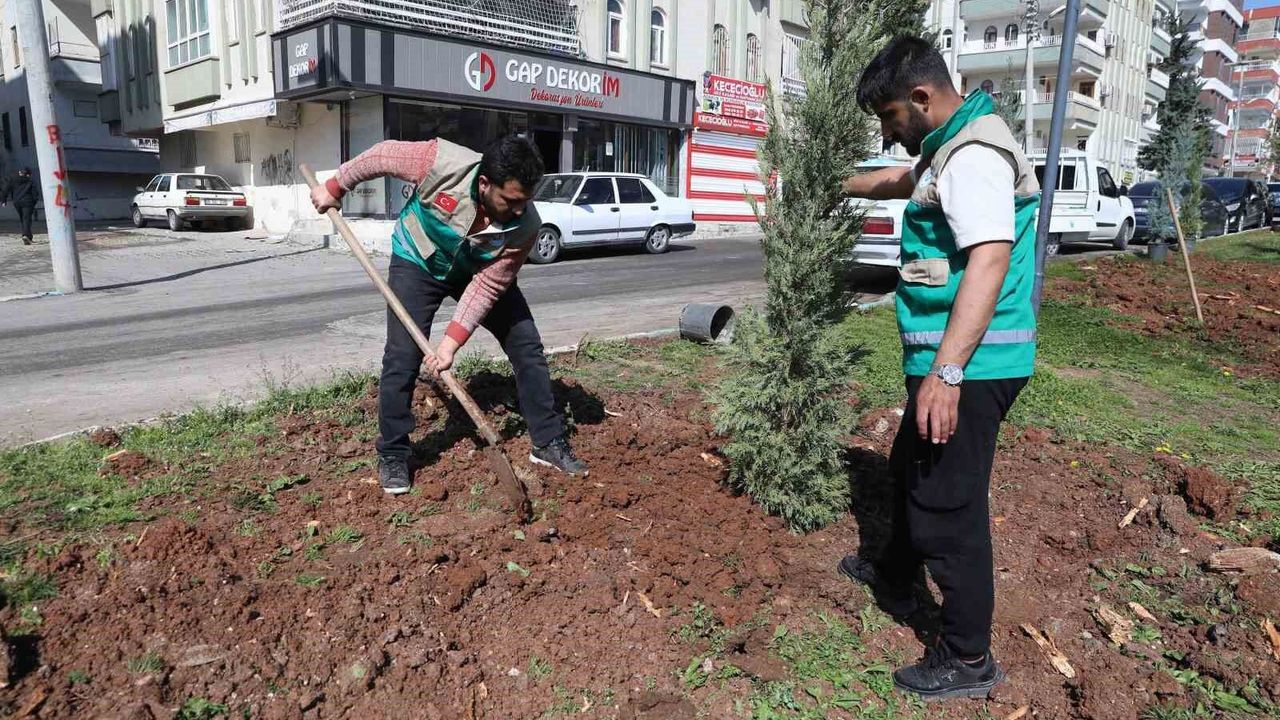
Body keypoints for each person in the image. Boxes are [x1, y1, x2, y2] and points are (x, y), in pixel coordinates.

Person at [838, 36, 1040, 701]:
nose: (887, 133)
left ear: (921, 98)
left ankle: (967, 656)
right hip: (957, 358)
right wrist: (837, 184)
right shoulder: (948, 147)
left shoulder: (974, 157)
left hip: (973, 364)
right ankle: (896, 575)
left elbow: (988, 259)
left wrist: (947, 375)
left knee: (947, 508)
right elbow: (904, 181)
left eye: (890, 117)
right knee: (909, 470)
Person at [311, 134, 587, 495]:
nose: (519, 210)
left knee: (526, 345)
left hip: (476, 270)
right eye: (511, 201)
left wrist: (450, 344)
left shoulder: (526, 226)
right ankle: (393, 452)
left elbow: (488, 286)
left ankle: (547, 441)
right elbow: (381, 156)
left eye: (525, 201)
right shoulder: (440, 162)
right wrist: (334, 187)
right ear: (485, 184)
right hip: (418, 258)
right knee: (402, 356)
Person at [2, 168, 39, 245]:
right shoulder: (30, 181)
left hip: (17, 202)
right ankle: (26, 235)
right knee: (26, 219)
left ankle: (28, 236)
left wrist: (4, 200)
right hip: (28, 202)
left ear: (20, 173)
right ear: (28, 174)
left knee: (23, 218)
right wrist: (34, 203)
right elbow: (35, 193)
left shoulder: (13, 180)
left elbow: (5, 189)